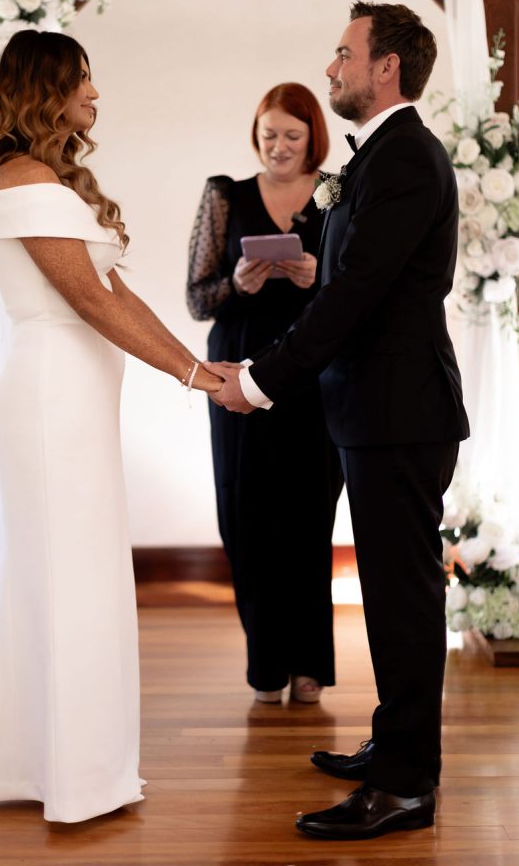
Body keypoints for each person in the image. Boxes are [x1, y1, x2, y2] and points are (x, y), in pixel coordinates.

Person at [0, 29, 222, 851]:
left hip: (66, 400)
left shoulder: (41, 179)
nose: (95, 96)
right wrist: (194, 378)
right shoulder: (24, 179)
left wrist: (206, 367)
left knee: (66, 578)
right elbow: (93, 304)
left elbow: (117, 293)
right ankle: (70, 776)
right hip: (48, 402)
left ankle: (24, 763)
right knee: (65, 580)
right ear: (46, 90)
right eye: (82, 82)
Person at [207, 2, 470, 840]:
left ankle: (403, 786)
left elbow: (349, 297)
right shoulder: (381, 157)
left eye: (342, 53)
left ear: (384, 66)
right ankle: (393, 745)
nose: (331, 68)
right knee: (393, 597)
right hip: (372, 409)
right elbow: (339, 292)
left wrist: (259, 380)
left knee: (400, 600)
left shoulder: (404, 161)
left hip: (398, 413)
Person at [187, 83, 343, 704]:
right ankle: (266, 665)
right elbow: (198, 297)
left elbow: (360, 288)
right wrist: (239, 283)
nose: (278, 147)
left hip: (315, 373)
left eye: (292, 136)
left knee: (309, 516)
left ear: (314, 139)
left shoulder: (337, 192)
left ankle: (310, 665)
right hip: (237, 369)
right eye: (268, 134)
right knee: (245, 517)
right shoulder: (224, 193)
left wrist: (317, 275)